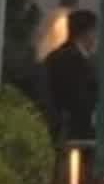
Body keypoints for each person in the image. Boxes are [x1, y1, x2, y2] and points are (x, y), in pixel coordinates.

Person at [37, 10, 100, 153]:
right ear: (86, 33)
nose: (96, 38)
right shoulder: (73, 60)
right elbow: (77, 98)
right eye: (94, 32)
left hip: (59, 128)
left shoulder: (55, 56)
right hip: (73, 132)